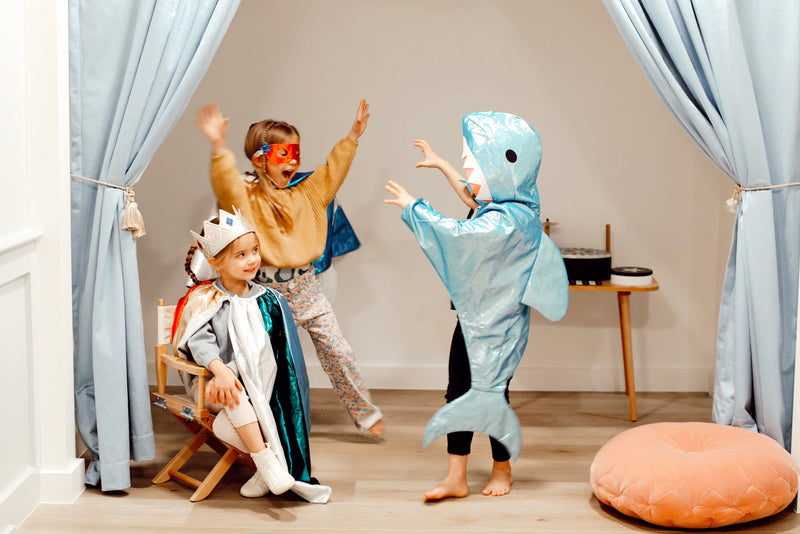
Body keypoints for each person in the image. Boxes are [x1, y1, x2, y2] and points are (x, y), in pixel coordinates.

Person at [385, 113, 568, 501]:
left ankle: (503, 469)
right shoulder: (508, 203)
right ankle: (457, 476)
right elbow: (472, 196)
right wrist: (442, 165)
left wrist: (414, 207)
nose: (471, 174)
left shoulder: (511, 220)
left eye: (477, 163)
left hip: (499, 325)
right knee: (458, 391)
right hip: (473, 319)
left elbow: (459, 233)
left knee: (491, 392)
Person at [194, 100, 384, 436]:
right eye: (284, 153)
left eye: (296, 151)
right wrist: (218, 145)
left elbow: (333, 169)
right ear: (261, 159)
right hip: (266, 295)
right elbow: (225, 184)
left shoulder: (308, 193)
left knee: (338, 351)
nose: (294, 160)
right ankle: (262, 426)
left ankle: (365, 414)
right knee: (266, 365)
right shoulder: (246, 196)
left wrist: (353, 135)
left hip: (307, 289)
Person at [174, 208, 331, 503]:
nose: (252, 260)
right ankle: (268, 462)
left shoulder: (267, 299)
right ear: (216, 262)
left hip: (259, 381)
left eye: (255, 251)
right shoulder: (206, 299)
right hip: (210, 383)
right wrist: (222, 371)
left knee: (225, 424)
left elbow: (270, 348)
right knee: (234, 393)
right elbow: (199, 342)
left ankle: (264, 468)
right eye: (241, 255)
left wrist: (239, 373)